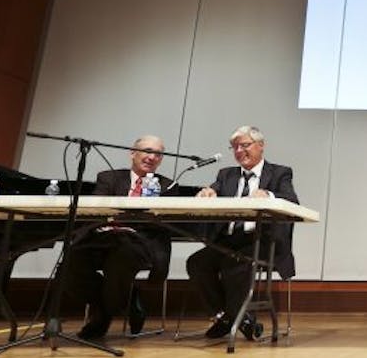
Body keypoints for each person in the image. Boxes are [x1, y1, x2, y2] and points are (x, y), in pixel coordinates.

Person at [187, 125, 298, 340]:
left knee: (235, 262)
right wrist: (208, 192)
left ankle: (230, 319)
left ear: (261, 146)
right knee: (197, 263)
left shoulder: (280, 172)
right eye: (234, 147)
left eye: (244, 145)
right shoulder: (225, 174)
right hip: (228, 241)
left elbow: (292, 200)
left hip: (262, 241)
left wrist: (268, 194)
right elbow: (214, 190)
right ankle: (230, 317)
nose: (239, 151)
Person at [62, 135, 173, 340]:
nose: (152, 157)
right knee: (70, 261)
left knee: (121, 257)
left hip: (139, 243)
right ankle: (128, 299)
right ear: (133, 153)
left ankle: (102, 318)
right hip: (103, 238)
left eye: (158, 154)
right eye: (147, 151)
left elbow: (164, 223)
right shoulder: (109, 177)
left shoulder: (167, 185)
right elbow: (97, 207)